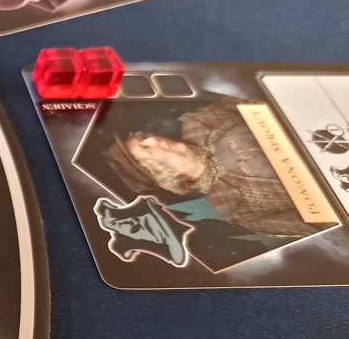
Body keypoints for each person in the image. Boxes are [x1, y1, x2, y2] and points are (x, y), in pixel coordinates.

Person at [106, 96, 316, 238]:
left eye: (144, 138)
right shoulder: (235, 210)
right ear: (163, 173)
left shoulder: (200, 122)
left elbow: (256, 95)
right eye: (147, 149)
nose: (152, 139)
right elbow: (317, 225)